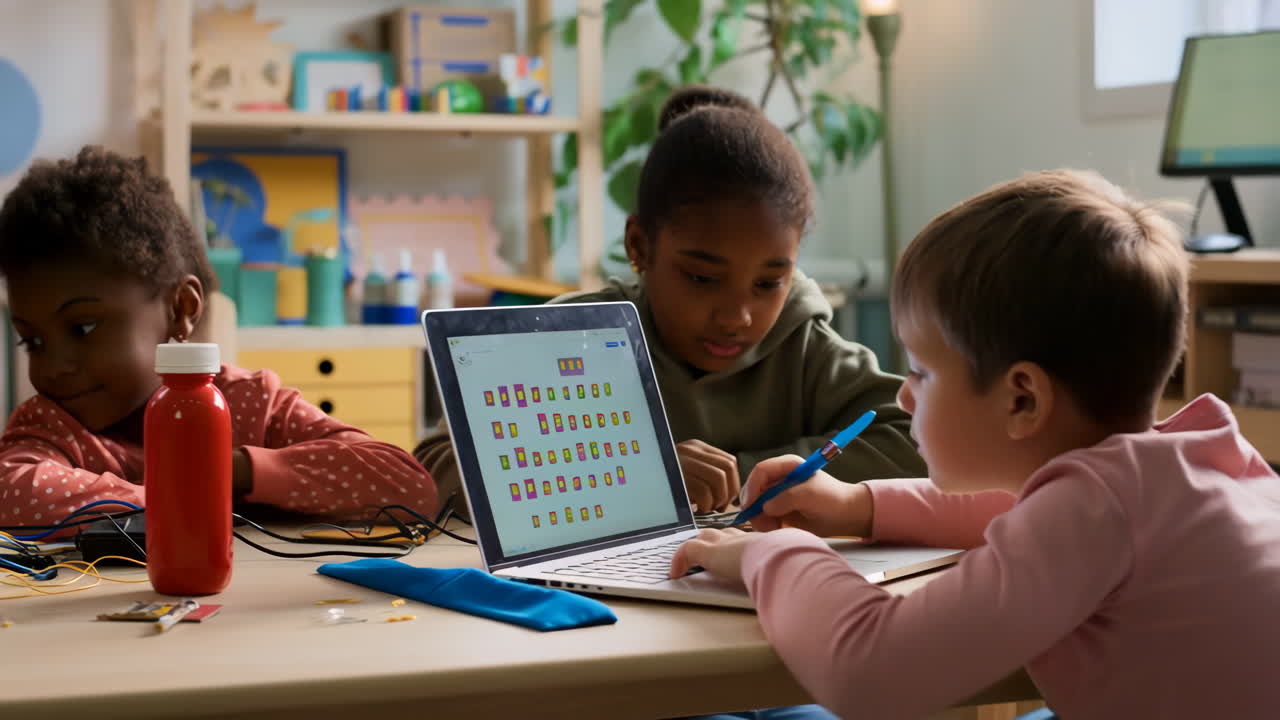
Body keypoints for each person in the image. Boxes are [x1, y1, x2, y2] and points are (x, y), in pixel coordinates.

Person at [670, 169, 1280, 719]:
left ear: (1022, 400)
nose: (904, 397)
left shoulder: (1092, 510)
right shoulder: (1197, 461)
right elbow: (1019, 509)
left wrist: (768, 558)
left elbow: (872, 671)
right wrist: (859, 505)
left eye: (922, 372)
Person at [416, 86, 924, 515]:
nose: (737, 317)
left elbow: (916, 440)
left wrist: (746, 477)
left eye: (769, 283)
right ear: (640, 246)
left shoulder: (807, 347)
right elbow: (434, 468)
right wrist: (633, 470)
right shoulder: (569, 336)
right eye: (703, 278)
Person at [0, 147, 438, 529]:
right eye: (32, 342)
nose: (54, 366)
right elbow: (13, 493)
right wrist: (193, 493)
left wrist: (237, 470)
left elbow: (406, 485)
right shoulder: (50, 427)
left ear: (180, 310)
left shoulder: (249, 404)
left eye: (83, 328)